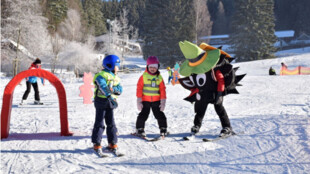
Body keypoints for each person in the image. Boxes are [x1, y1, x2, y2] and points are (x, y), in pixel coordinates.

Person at [91, 55, 123, 153]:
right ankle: (97, 143)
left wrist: (114, 90)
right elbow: (102, 86)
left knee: (111, 123)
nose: (118, 68)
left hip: (110, 103)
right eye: (117, 65)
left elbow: (120, 89)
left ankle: (112, 142)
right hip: (101, 101)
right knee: (100, 122)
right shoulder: (101, 75)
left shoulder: (116, 77)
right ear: (111, 65)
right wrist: (109, 94)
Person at [135, 56, 168, 137]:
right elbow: (139, 88)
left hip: (156, 101)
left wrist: (163, 101)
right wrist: (139, 100)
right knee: (143, 114)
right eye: (151, 67)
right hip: (145, 100)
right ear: (147, 67)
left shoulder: (159, 77)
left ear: (157, 67)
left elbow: (162, 89)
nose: (152, 69)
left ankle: (163, 128)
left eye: (154, 67)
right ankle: (140, 129)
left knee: (159, 114)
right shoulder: (143, 76)